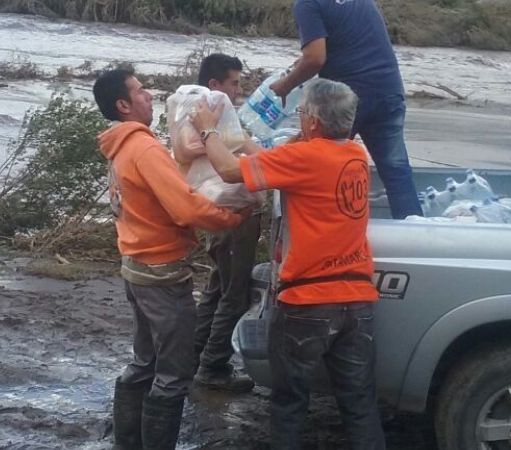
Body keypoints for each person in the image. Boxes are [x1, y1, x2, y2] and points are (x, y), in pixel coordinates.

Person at [192, 78, 386, 450]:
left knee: (290, 404)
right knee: (360, 404)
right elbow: (274, 157)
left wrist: (208, 130)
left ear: (312, 120)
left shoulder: (303, 159)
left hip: (308, 302)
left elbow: (231, 172)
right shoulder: (356, 155)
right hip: (357, 299)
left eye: (301, 114)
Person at [93, 68, 245, 450]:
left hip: (136, 266)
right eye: (140, 91)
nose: (149, 96)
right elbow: (186, 209)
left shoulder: (122, 146)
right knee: (174, 375)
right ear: (123, 105)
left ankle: (127, 443)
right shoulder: (144, 149)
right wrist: (231, 217)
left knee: (144, 362)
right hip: (162, 274)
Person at [269, 0, 422, 220]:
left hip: (345, 99)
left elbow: (315, 58)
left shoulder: (307, 4)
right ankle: (415, 234)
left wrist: (286, 85)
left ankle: (318, 231)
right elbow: (350, 42)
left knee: (319, 165)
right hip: (389, 88)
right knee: (396, 170)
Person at [190, 53, 259, 392]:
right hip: (234, 213)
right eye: (234, 83)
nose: (238, 91)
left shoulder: (192, 113)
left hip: (217, 212)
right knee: (234, 293)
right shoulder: (212, 119)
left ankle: (193, 358)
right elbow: (249, 158)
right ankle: (212, 366)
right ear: (214, 85)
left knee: (217, 288)